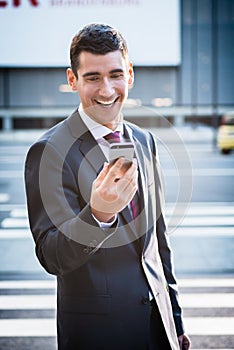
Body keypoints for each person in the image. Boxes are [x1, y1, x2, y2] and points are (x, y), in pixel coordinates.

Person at [24, 23, 191, 350]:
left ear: (129, 74)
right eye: (92, 78)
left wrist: (175, 322)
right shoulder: (49, 152)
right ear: (72, 80)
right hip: (100, 335)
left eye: (115, 75)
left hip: (158, 328)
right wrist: (98, 214)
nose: (106, 90)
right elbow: (51, 255)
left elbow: (158, 240)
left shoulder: (145, 141)